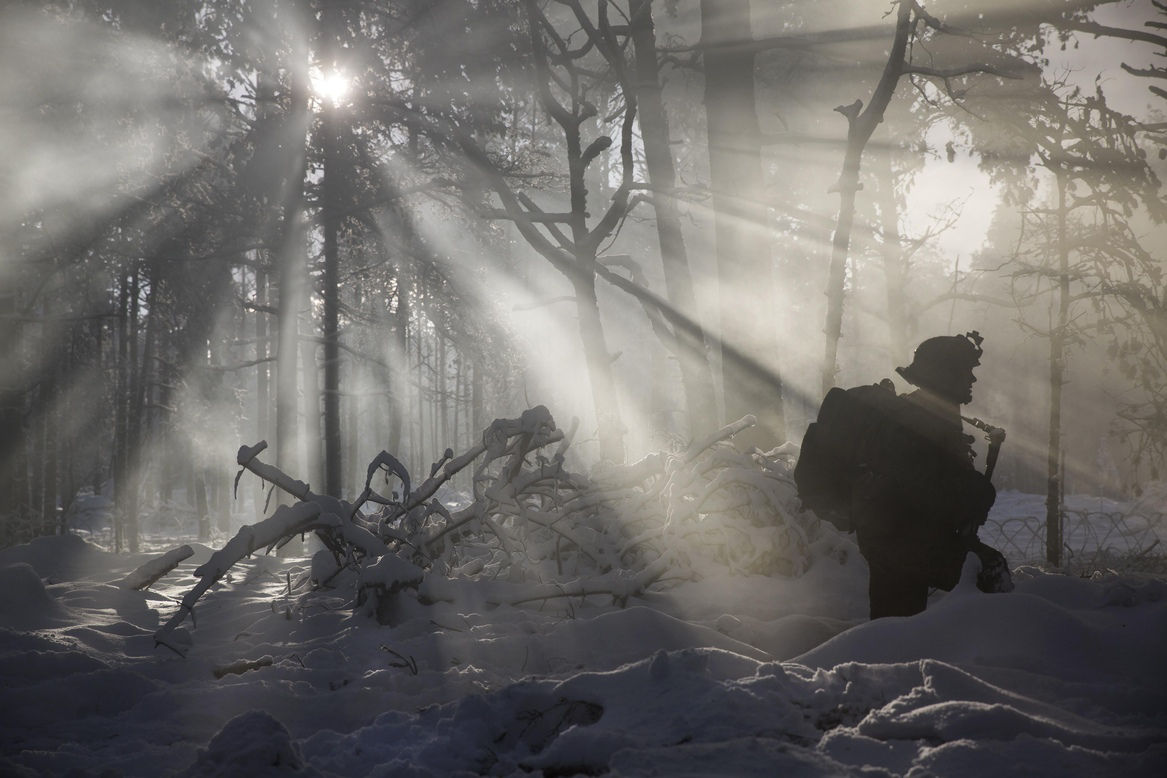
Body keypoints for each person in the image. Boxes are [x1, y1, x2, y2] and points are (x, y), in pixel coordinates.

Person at [849, 332, 1007, 618]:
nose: (972, 379)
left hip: (899, 539)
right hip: (901, 541)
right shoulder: (920, 419)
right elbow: (924, 487)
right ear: (945, 374)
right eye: (965, 371)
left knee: (896, 622)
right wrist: (977, 493)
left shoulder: (930, 412)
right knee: (988, 572)